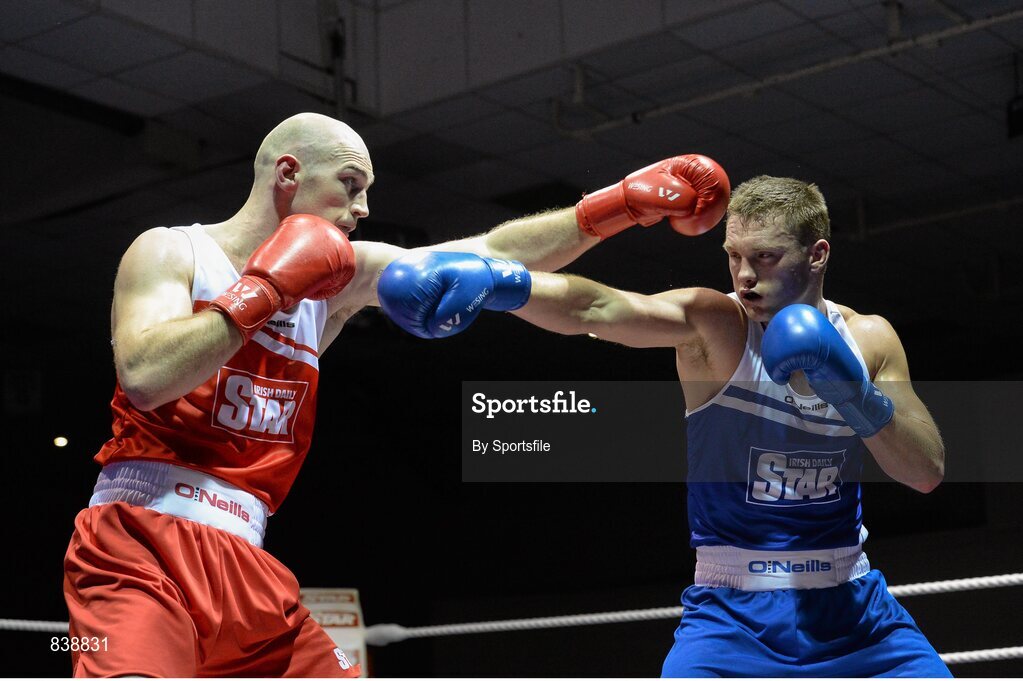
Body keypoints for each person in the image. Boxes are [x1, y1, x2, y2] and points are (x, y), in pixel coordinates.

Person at [61, 110, 730, 677]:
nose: (363, 209)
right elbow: (145, 377)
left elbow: (488, 251)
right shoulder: (172, 252)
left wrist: (613, 207)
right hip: (136, 544)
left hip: (244, 558)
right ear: (289, 174)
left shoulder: (338, 277)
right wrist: (265, 292)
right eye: (349, 186)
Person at [379, 175, 950, 677]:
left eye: (766, 258)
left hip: (855, 612)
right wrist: (503, 282)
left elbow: (925, 472)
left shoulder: (870, 339)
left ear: (817, 254)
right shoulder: (717, 324)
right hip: (732, 621)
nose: (744, 276)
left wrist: (856, 395)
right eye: (733, 256)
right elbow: (598, 309)